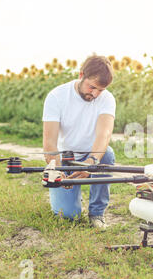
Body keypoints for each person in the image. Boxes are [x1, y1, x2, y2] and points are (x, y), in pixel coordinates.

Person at [42, 55, 116, 229]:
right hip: (65, 159)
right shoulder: (56, 96)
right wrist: (58, 170)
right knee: (69, 216)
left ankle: (97, 213)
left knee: (108, 154)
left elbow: (104, 135)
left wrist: (90, 163)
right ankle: (71, 197)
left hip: (92, 156)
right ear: (81, 74)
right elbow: (49, 142)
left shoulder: (107, 99)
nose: (95, 94)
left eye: (101, 90)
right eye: (92, 87)